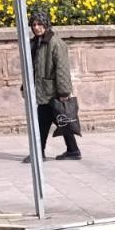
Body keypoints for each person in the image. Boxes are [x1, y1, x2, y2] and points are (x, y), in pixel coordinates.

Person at [23, 12, 81, 162]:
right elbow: (30, 69)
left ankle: (39, 152)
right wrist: (25, 86)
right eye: (34, 25)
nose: (36, 27)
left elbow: (62, 69)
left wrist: (63, 91)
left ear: (46, 24)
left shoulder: (56, 43)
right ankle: (73, 150)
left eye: (40, 24)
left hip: (52, 91)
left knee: (44, 122)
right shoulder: (34, 43)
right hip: (42, 90)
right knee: (61, 120)